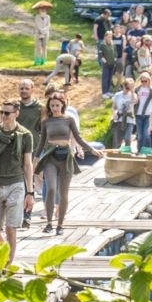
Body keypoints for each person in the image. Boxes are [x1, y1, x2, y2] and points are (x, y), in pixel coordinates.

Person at [36, 91, 93, 234]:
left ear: (63, 105)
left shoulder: (69, 120)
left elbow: (78, 138)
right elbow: (41, 142)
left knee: (63, 192)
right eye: (52, 105)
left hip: (65, 156)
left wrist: (91, 150)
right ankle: (49, 223)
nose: (55, 108)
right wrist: (35, 158)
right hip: (50, 156)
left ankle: (60, 224)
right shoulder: (46, 122)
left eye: (57, 105)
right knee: (51, 189)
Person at [0, 100, 35, 247]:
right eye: (1, 112)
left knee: (11, 227)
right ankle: (4, 252)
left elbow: (27, 165)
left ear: (16, 113)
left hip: (15, 183)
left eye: (7, 113)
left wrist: (30, 192)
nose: (3, 116)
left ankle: (8, 265)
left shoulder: (25, 135)